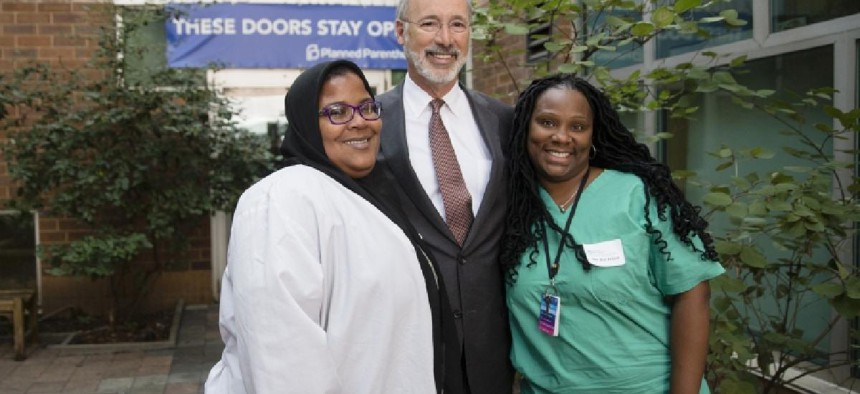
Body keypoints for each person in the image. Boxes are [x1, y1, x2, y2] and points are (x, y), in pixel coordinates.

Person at [204, 59, 451, 394]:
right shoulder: (279, 201)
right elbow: (282, 360)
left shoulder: (376, 194)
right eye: (338, 112)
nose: (359, 122)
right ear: (307, 124)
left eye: (367, 107)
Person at [501, 73, 725, 394]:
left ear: (593, 135)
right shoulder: (510, 208)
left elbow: (693, 293)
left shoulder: (637, 195)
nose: (562, 137)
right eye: (547, 122)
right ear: (525, 128)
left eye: (577, 127)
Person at [361, 0, 515, 392]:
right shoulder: (370, 124)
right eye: (430, 23)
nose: (445, 40)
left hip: (492, 347)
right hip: (409, 344)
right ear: (401, 32)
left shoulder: (503, 121)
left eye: (458, 25)